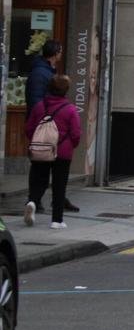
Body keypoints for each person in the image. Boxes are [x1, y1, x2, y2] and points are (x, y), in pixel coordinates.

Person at [24, 40, 79, 214]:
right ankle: (36, 201)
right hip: (46, 130)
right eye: (60, 51)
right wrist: (40, 126)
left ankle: (42, 201)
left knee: (45, 169)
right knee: (43, 169)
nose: (61, 54)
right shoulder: (41, 73)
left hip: (49, 129)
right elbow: (35, 102)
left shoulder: (47, 71)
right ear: (55, 53)